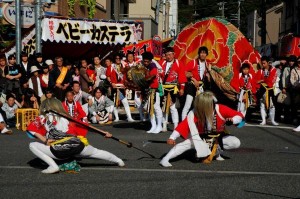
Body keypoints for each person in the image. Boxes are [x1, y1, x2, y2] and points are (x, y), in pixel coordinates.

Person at [27, 97, 125, 174]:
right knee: (96, 152)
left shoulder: (43, 117)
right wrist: (104, 133)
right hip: (78, 146)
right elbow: (85, 126)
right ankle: (119, 161)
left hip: (58, 151)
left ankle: (53, 166)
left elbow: (31, 129)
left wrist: (44, 140)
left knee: (32, 145)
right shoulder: (67, 117)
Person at [160, 91, 244, 167]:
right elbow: (183, 125)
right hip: (200, 137)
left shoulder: (220, 109)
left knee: (235, 142)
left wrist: (233, 120)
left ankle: (216, 153)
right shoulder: (195, 112)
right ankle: (165, 159)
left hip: (217, 136)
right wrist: (172, 137)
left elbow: (239, 116)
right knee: (185, 144)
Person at [159, 47, 186, 130]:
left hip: (173, 88)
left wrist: (182, 88)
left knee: (173, 107)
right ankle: (164, 125)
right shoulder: (162, 63)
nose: (168, 57)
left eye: (170, 54)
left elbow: (182, 76)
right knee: (163, 107)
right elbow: (158, 75)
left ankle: (176, 126)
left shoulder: (179, 63)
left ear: (174, 54)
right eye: (167, 55)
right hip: (163, 88)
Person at [182, 46, 211, 120]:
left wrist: (208, 74)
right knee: (188, 105)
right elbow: (184, 72)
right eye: (201, 53)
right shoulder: (193, 62)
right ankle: (182, 123)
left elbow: (208, 78)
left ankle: (197, 122)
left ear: (206, 54)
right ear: (199, 54)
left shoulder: (207, 64)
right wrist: (193, 79)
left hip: (201, 87)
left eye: (204, 53)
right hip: (191, 85)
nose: (202, 54)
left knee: (200, 105)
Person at [106, 53, 134, 122]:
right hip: (114, 86)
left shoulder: (124, 65)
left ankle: (129, 117)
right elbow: (108, 76)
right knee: (115, 102)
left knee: (125, 102)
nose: (118, 60)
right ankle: (116, 117)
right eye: (116, 58)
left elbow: (128, 75)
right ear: (114, 59)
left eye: (119, 58)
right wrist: (111, 83)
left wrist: (126, 83)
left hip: (122, 86)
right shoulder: (111, 66)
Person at [140, 52, 163, 134]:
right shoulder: (142, 66)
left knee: (156, 107)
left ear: (150, 61)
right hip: (146, 90)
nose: (145, 63)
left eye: (147, 61)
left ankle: (159, 125)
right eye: (144, 61)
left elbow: (151, 77)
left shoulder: (153, 66)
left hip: (154, 89)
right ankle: (153, 125)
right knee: (148, 107)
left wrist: (142, 79)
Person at [255, 56, 278, 125]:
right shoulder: (261, 70)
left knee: (272, 105)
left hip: (270, 89)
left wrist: (262, 80)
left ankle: (272, 120)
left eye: (264, 63)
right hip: (262, 90)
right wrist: (263, 81)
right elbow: (256, 80)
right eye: (262, 63)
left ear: (268, 63)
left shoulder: (273, 69)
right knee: (262, 105)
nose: (263, 65)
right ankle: (263, 120)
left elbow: (271, 80)